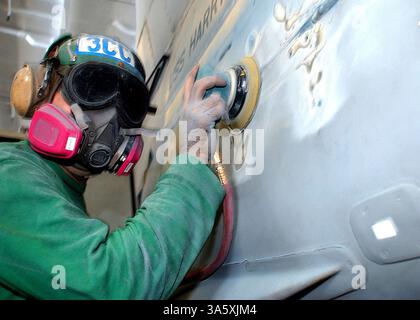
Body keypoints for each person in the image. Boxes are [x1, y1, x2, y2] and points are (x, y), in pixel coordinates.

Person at [0, 33, 227, 299]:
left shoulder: (59, 189)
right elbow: (112, 284)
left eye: (128, 103)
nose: (108, 117)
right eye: (90, 88)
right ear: (41, 91)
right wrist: (191, 163)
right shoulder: (8, 175)